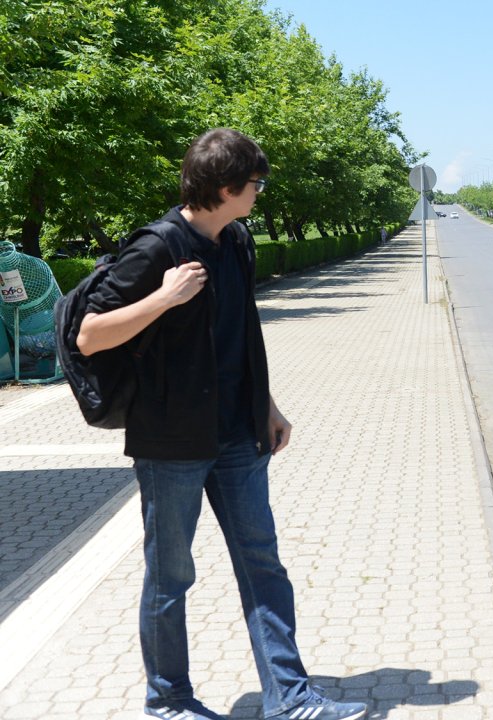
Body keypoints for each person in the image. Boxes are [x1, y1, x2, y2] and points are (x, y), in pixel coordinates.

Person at [76, 128, 367, 720]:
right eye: (256, 183)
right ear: (228, 186)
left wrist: (267, 406)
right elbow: (90, 336)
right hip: (172, 442)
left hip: (238, 435)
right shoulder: (156, 248)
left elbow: (241, 334)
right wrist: (163, 298)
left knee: (263, 565)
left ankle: (289, 698)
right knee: (170, 577)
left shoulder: (236, 239)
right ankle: (169, 700)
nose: (260, 192)